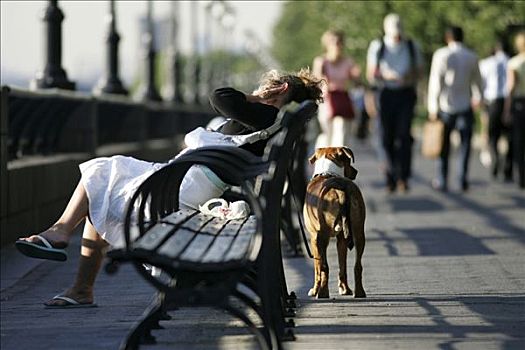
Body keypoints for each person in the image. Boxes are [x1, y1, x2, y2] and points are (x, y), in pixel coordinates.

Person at [15, 68, 324, 308]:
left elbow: (220, 96)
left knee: (103, 170)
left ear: (279, 89)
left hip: (181, 187)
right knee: (106, 187)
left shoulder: (266, 113)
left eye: (262, 86)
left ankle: (61, 235)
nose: (255, 91)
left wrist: (256, 98)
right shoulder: (272, 122)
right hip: (188, 184)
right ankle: (79, 282)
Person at [366, 13, 423, 193]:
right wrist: (386, 75)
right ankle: (390, 175)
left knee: (404, 136)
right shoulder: (378, 47)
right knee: (386, 137)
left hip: (406, 94)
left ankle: (403, 177)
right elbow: (371, 73)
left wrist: (408, 77)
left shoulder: (412, 46)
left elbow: (420, 71)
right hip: (386, 93)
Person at [427, 26, 484, 192]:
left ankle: (442, 179)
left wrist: (433, 107)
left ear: (447, 38)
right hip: (465, 105)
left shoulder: (442, 55)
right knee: (465, 145)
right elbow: (477, 80)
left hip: (446, 106)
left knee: (443, 146)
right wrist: (478, 97)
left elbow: (436, 82)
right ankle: (462, 179)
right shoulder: (471, 56)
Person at [313, 29, 360, 148]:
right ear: (327, 44)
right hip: (327, 102)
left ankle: (339, 163)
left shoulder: (348, 62)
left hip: (342, 99)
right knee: (328, 135)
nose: (337, 45)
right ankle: (323, 162)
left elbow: (356, 82)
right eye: (334, 42)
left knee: (342, 132)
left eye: (339, 42)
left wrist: (356, 76)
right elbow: (316, 81)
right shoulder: (321, 62)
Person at [479, 41, 512, 181]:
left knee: (493, 136)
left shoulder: (487, 63)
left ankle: (495, 161)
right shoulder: (513, 62)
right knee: (511, 137)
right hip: (511, 102)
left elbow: (481, 84)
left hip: (493, 103)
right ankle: (508, 169)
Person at [504, 32, 525, 189]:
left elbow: (511, 87)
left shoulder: (515, 63)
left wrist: (507, 109)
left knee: (519, 141)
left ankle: (522, 176)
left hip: (520, 104)